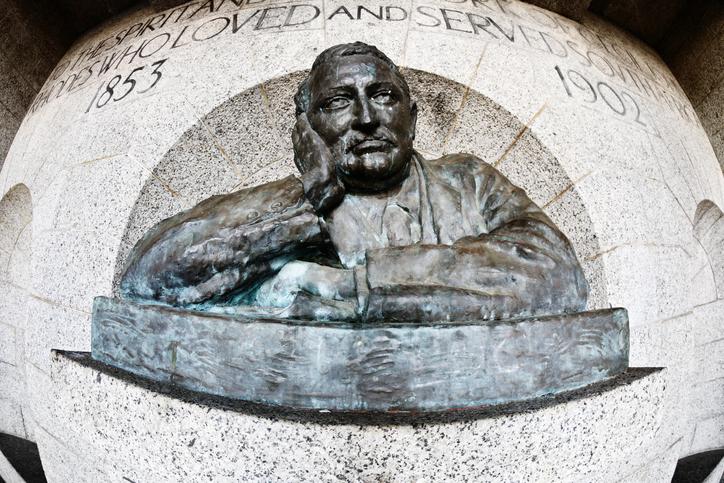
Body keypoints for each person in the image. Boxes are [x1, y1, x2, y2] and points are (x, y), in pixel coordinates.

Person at [120, 42, 588, 322]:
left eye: (383, 96)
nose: (366, 118)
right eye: (339, 102)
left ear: (412, 114)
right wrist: (308, 196)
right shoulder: (294, 206)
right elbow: (150, 278)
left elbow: (557, 272)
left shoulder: (467, 181)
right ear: (307, 128)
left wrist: (351, 286)